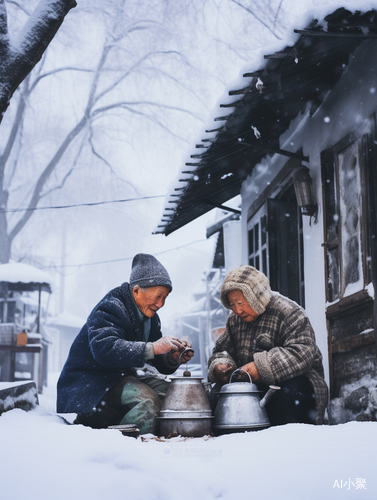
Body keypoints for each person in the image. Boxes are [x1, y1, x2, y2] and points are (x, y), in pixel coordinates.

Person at [57, 253, 193, 434]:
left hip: (120, 378)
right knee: (149, 404)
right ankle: (121, 448)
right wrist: (153, 347)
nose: (161, 304)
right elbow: (105, 350)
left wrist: (172, 357)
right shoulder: (111, 307)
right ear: (136, 290)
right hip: (94, 385)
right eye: (158, 296)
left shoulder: (151, 317)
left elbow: (155, 358)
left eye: (165, 298)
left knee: (175, 395)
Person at [208, 265, 328, 425]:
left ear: (256, 297)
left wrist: (261, 367)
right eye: (232, 304)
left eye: (241, 302)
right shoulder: (234, 321)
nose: (237, 310)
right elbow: (222, 350)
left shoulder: (288, 313)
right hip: (253, 391)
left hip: (296, 387)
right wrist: (221, 365)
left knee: (291, 392)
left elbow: (302, 351)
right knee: (216, 396)